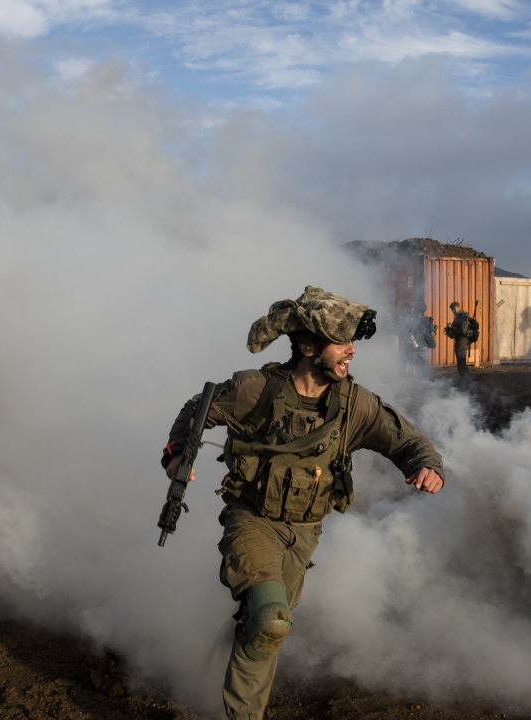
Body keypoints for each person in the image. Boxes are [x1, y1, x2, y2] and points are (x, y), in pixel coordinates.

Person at [161, 286, 446, 720]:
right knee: (272, 621)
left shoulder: (354, 403)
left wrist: (427, 465)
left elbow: (407, 440)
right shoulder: (254, 388)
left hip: (305, 532)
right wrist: (179, 453)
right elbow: (197, 408)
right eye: (341, 342)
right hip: (252, 520)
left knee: (262, 623)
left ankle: (212, 675)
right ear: (309, 348)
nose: (352, 351)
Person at [399, 304, 436, 378]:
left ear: (416, 310)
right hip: (424, 346)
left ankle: (410, 383)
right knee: (424, 366)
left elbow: (404, 331)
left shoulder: (411, 319)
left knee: (411, 366)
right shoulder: (428, 321)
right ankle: (426, 382)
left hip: (412, 346)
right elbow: (432, 335)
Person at [444, 301, 479, 376]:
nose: (453, 311)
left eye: (454, 309)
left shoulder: (462, 317)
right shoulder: (459, 317)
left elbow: (463, 331)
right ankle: (464, 380)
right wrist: (449, 330)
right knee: (460, 363)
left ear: (458, 307)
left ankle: (465, 382)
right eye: (451, 309)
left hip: (462, 342)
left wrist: (452, 327)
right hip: (460, 342)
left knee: (461, 363)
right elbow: (455, 332)